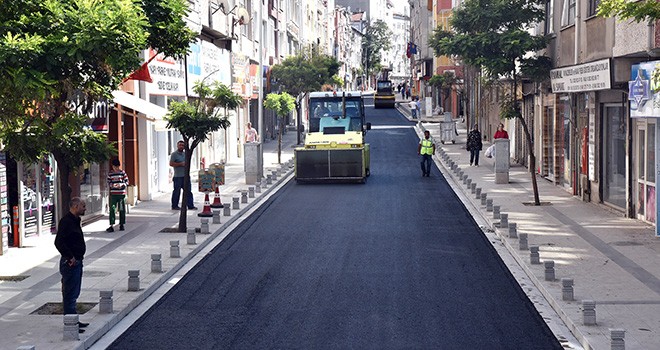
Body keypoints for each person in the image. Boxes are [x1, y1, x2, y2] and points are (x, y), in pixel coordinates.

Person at [54, 197, 89, 332]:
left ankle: (74, 320)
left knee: (74, 292)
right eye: (83, 206)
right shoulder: (66, 222)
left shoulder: (75, 221)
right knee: (69, 294)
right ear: (75, 206)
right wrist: (70, 257)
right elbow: (58, 242)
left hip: (77, 261)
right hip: (70, 263)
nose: (85, 209)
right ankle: (70, 324)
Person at [170, 140, 197, 210]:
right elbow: (171, 163)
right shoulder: (174, 154)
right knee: (176, 192)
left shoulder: (186, 154)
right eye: (180, 145)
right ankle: (174, 205)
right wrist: (180, 164)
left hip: (186, 176)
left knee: (188, 191)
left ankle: (190, 205)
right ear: (177, 146)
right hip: (178, 177)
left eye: (182, 145)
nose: (181, 146)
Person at [106, 159, 128, 232]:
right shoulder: (110, 174)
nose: (115, 169)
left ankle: (122, 224)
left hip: (121, 194)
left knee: (121, 209)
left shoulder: (122, 173)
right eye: (114, 167)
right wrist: (113, 185)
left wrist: (121, 184)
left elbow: (127, 182)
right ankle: (111, 225)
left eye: (117, 167)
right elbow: (108, 182)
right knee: (112, 209)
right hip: (114, 194)